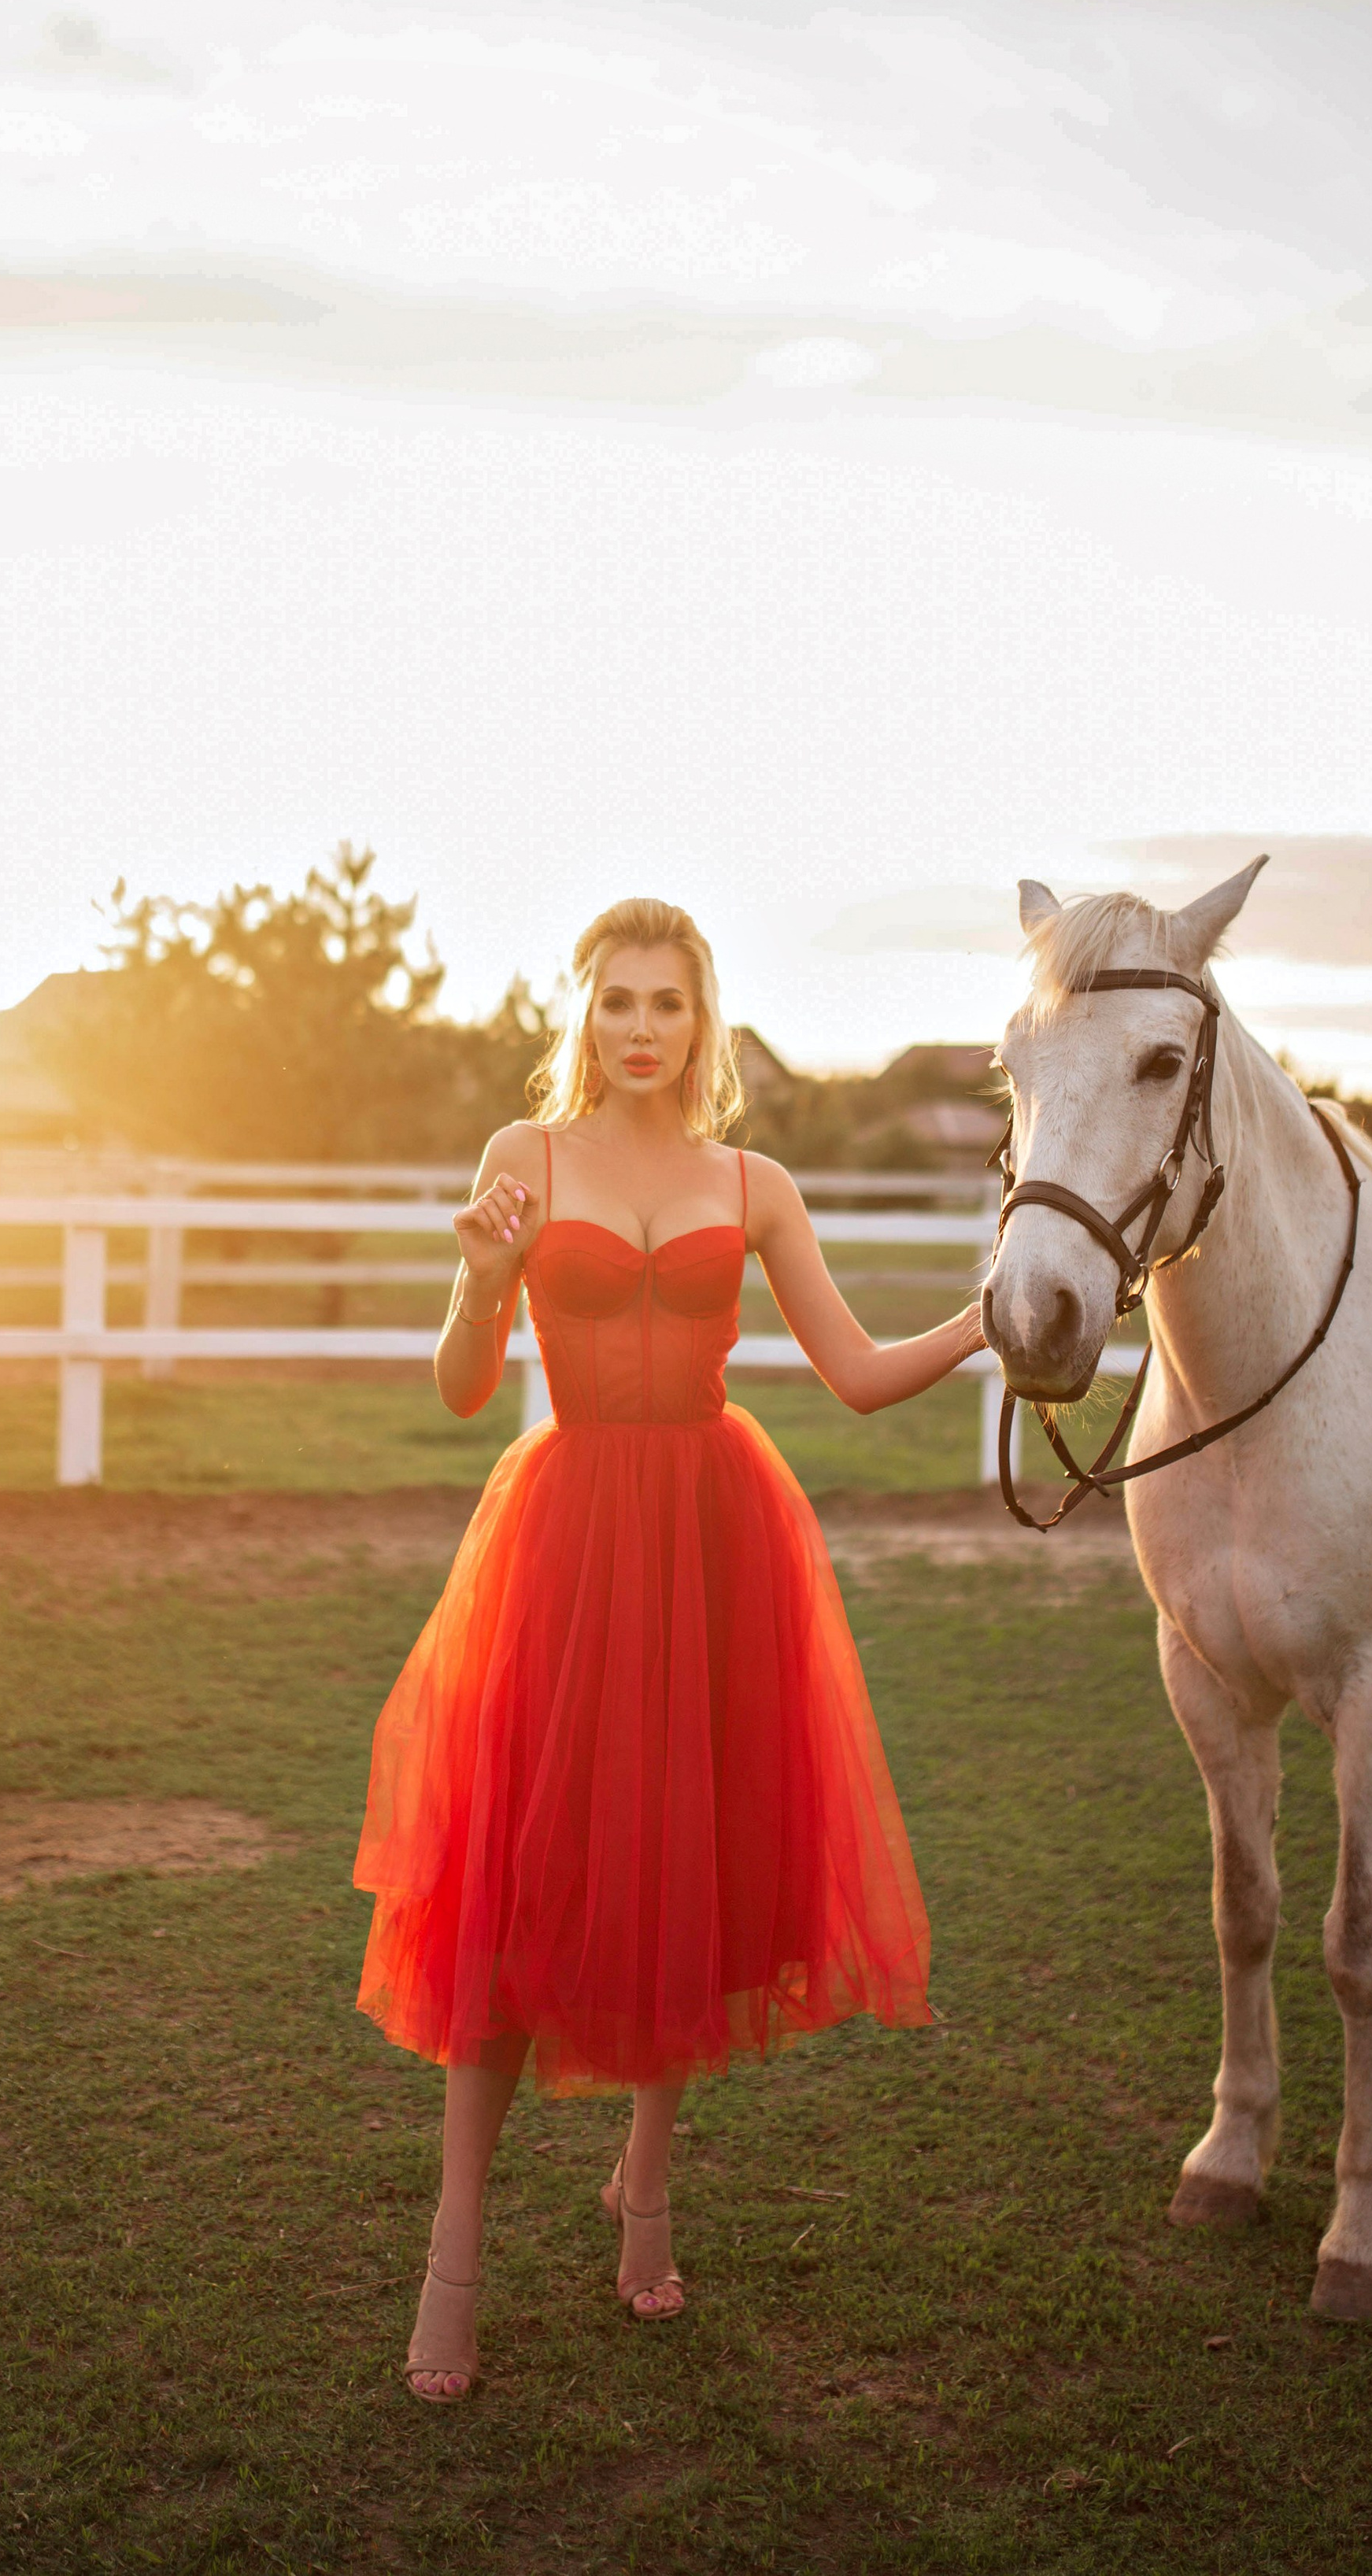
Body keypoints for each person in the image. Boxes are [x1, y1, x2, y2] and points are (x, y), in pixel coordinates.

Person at [353, 899, 984, 2401]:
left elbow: (854, 1372)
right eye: (619, 1000)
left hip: (713, 1539)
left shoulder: (753, 1183)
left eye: (670, 1003)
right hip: (566, 1546)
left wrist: (987, 1321)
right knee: (514, 1883)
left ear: (703, 1021)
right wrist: (475, 1279)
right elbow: (459, 1390)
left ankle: (646, 2184)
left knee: (682, 1864)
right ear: (584, 1013)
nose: (643, 1026)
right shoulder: (528, 1164)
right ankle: (456, 2251)